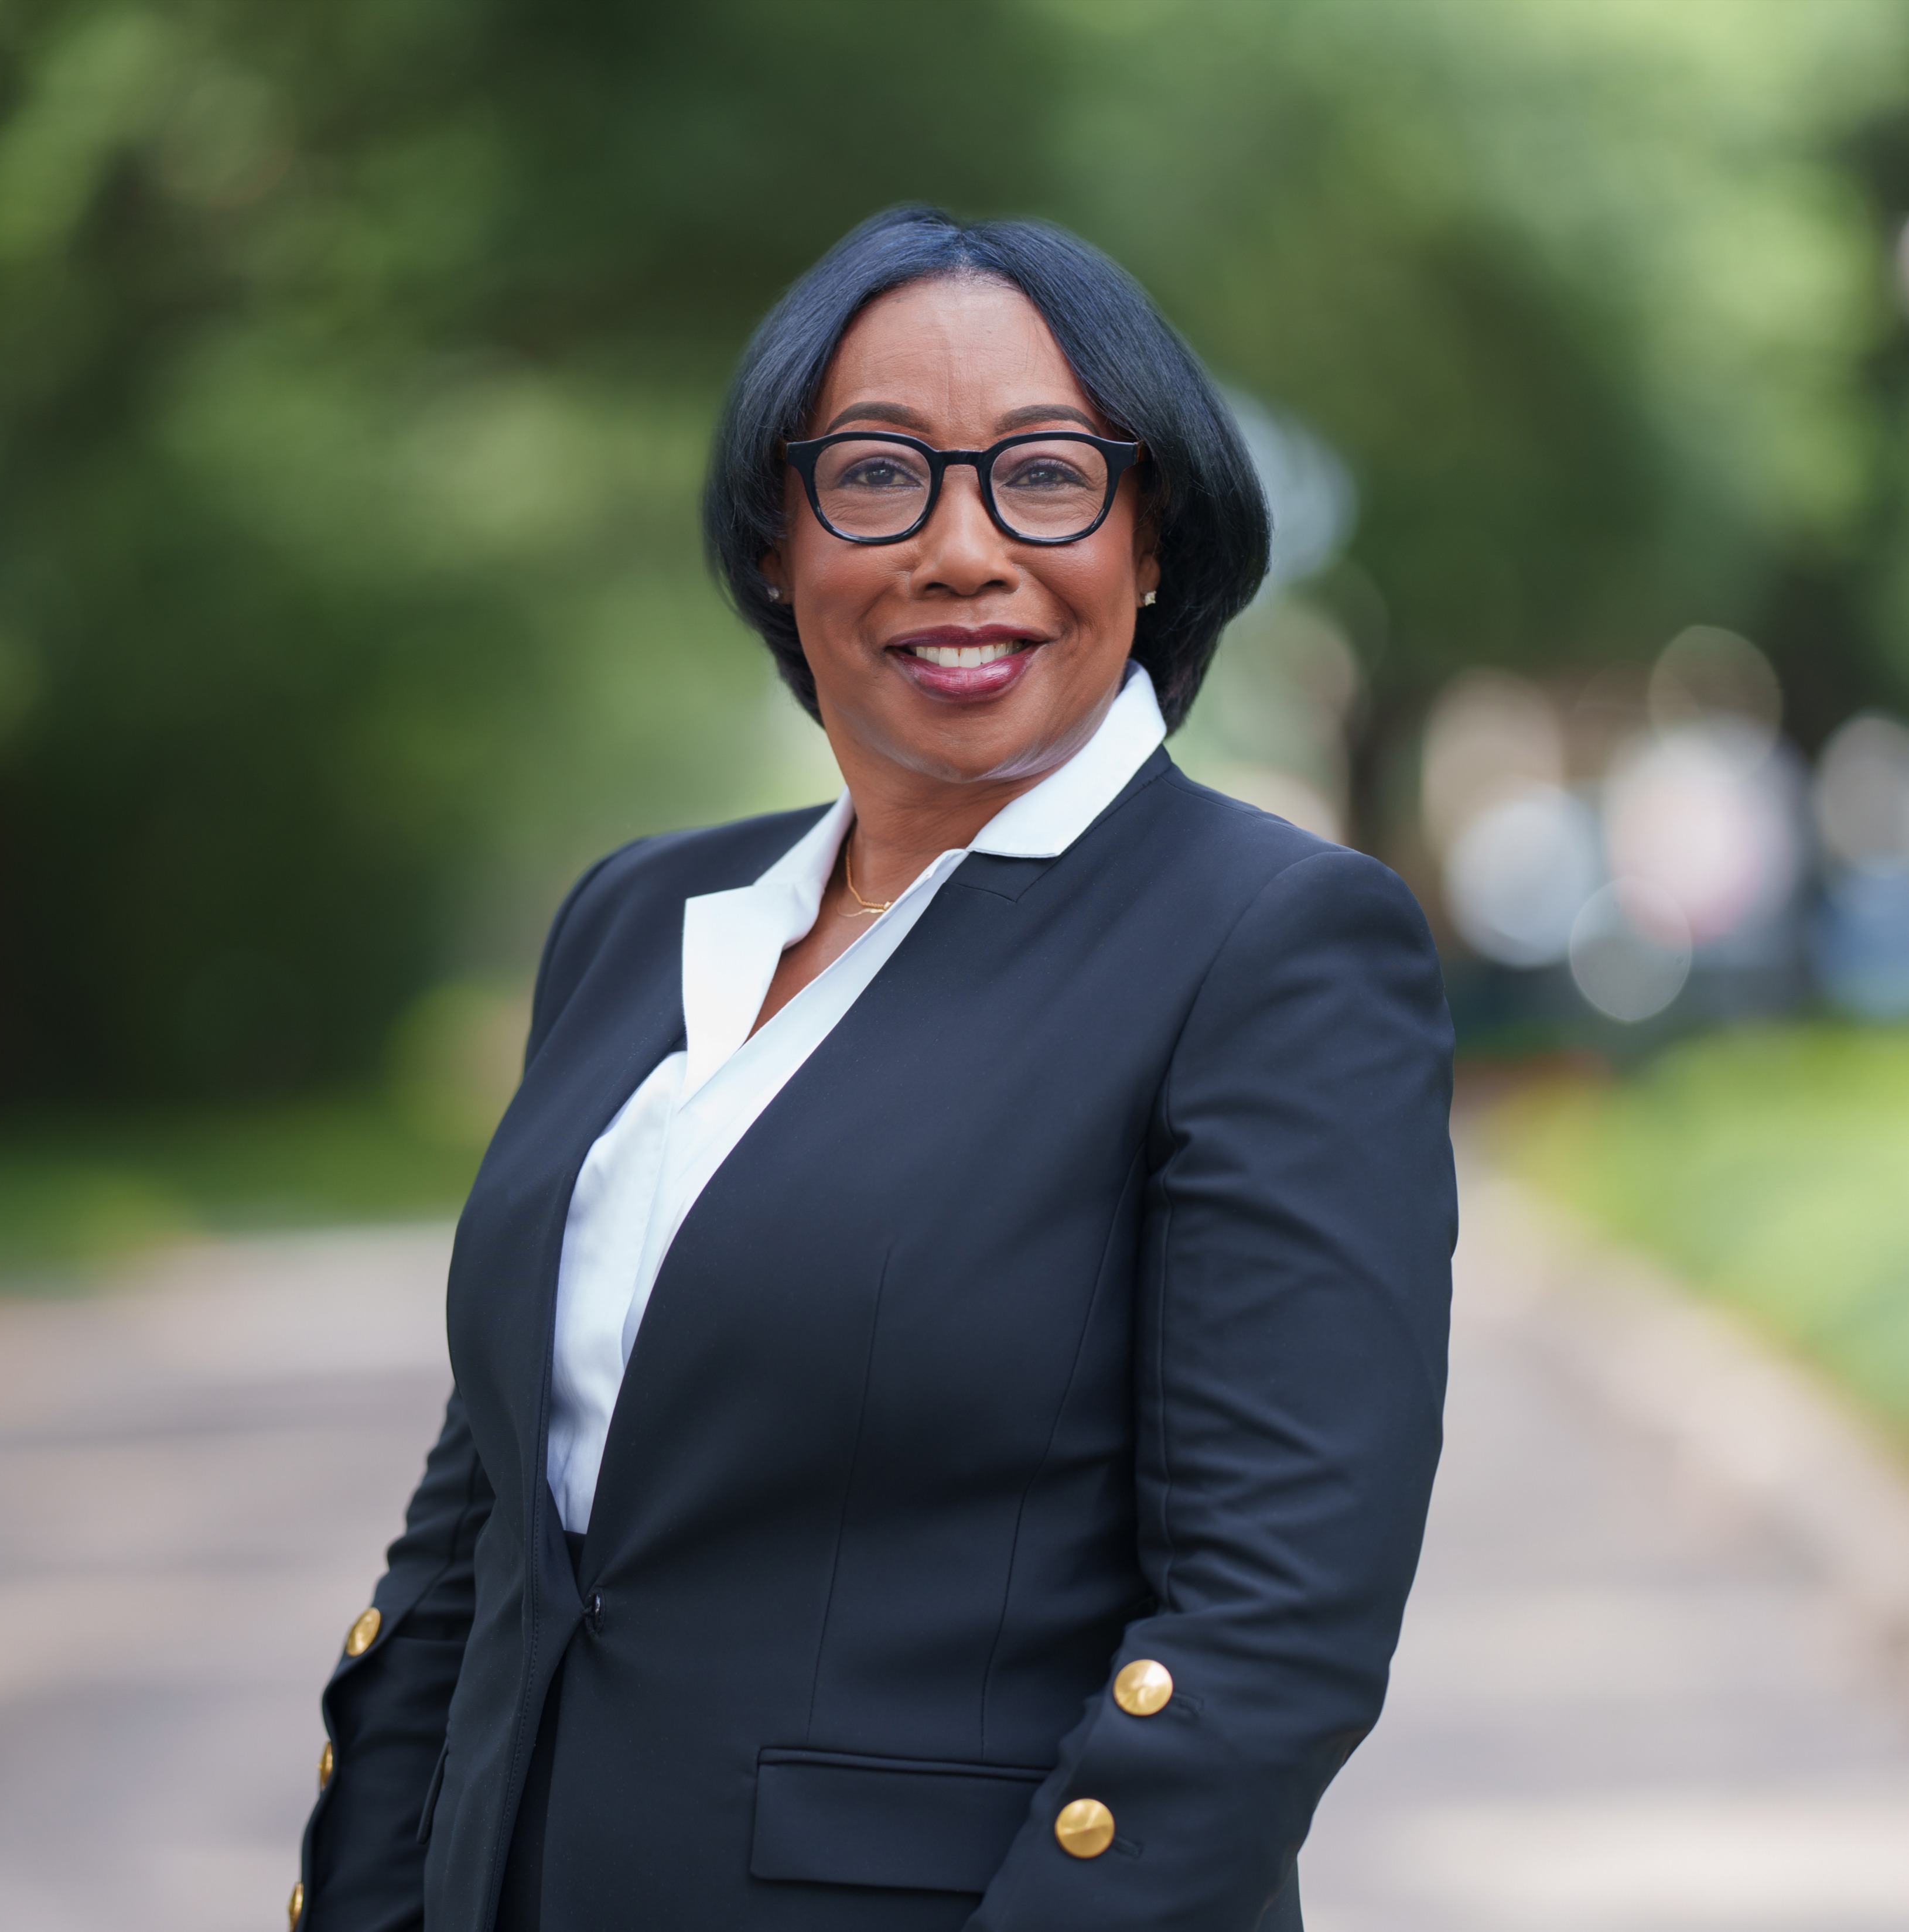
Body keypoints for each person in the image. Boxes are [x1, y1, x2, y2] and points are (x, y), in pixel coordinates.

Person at [290, 204, 1456, 1932]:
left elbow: (1265, 1638)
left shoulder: (1270, 943)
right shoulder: (642, 917)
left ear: (1153, 539)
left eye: (1046, 476)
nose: (961, 548)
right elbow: (476, 1539)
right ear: (777, 540)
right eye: (876, 475)